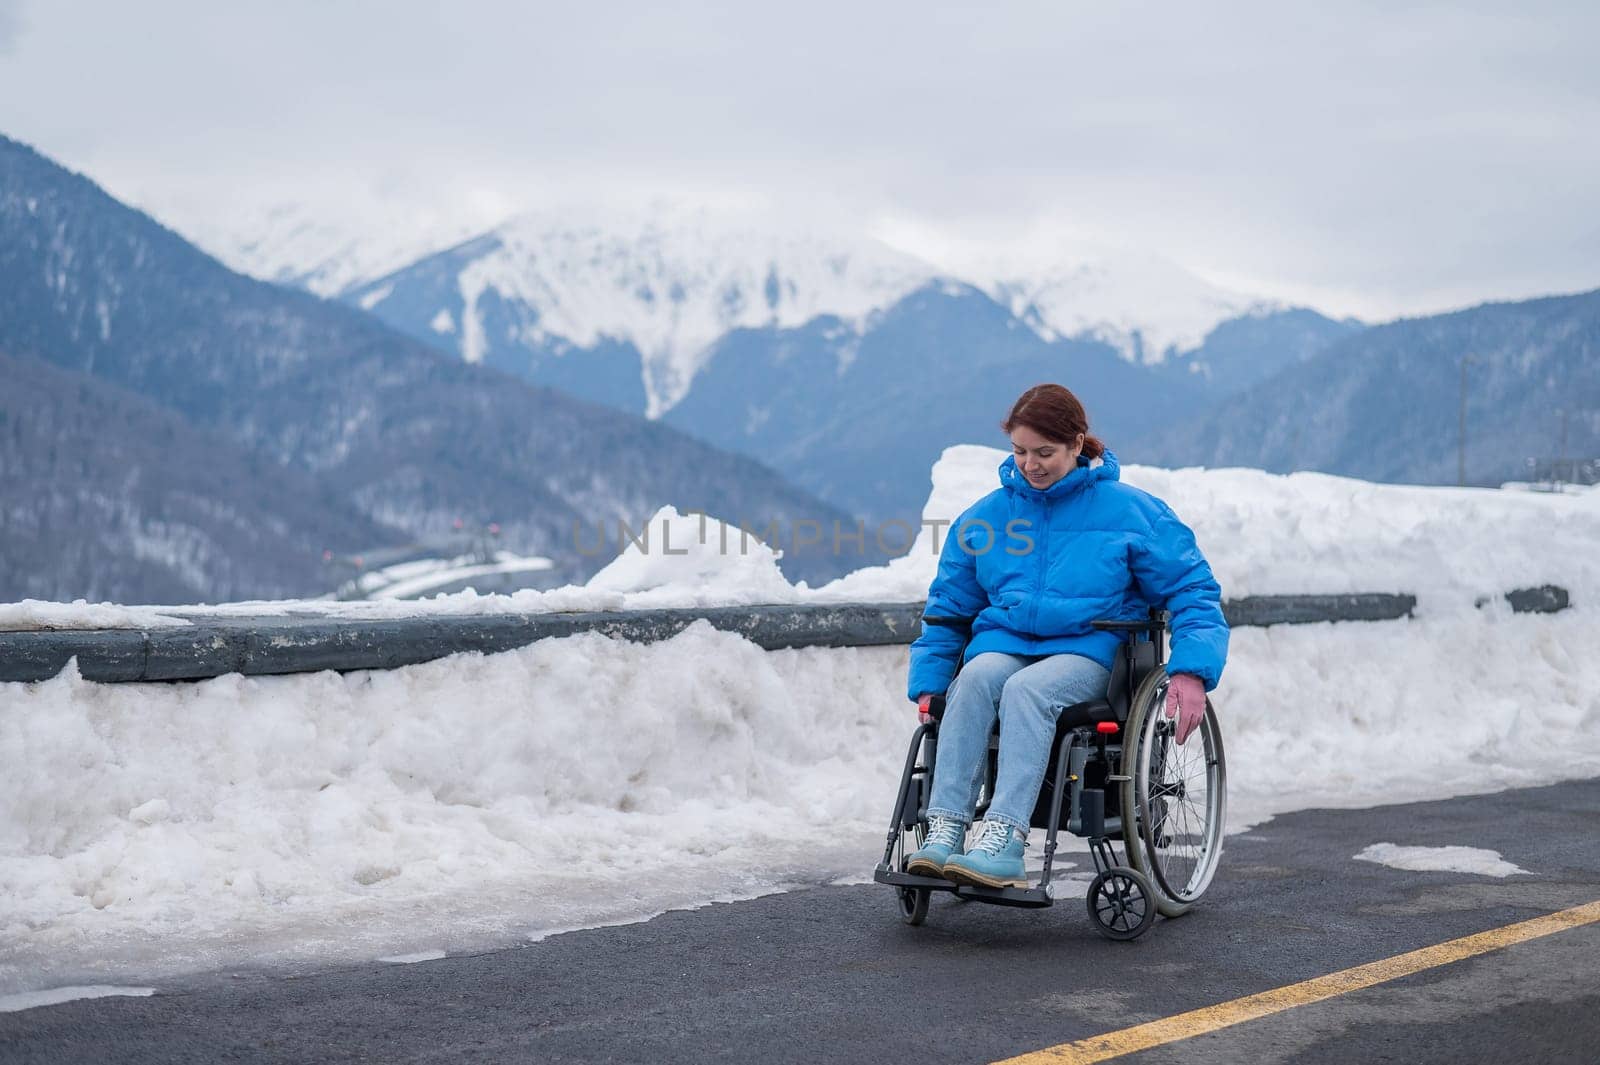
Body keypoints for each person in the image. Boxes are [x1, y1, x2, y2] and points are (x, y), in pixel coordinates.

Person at [905, 383, 1228, 889]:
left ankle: (1005, 840)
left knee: (1027, 690)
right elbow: (948, 610)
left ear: (1078, 444)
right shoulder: (987, 517)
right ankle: (945, 828)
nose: (1030, 465)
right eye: (1019, 451)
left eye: (1045, 453)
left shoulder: (1131, 512)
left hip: (1089, 653)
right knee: (972, 681)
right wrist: (930, 679)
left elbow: (1192, 589)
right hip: (1005, 645)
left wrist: (1191, 669)